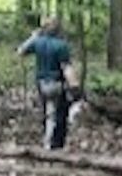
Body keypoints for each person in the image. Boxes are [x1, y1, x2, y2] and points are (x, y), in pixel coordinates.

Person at [17, 17, 78, 149]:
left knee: (47, 112)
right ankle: (56, 145)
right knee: (61, 114)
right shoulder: (61, 45)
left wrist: (33, 37)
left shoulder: (38, 42)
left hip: (41, 84)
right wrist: (74, 86)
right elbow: (66, 67)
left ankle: (46, 140)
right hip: (56, 83)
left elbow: (21, 51)